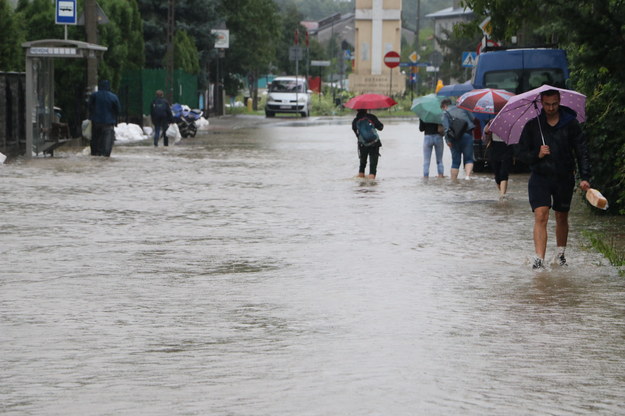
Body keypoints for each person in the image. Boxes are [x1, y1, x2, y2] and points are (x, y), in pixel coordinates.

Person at [517, 89, 591, 270]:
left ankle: (560, 255)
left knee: (561, 216)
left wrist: (585, 177)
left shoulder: (571, 124)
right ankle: (539, 259)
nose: (551, 108)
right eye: (547, 104)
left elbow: (581, 151)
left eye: (554, 104)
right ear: (541, 103)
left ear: (559, 102)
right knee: (541, 214)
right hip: (540, 177)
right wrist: (537, 154)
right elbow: (520, 154)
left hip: (564, 176)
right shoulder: (533, 125)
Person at [440, 99, 475, 179]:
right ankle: (467, 177)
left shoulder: (445, 113)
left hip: (454, 138)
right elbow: (472, 118)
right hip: (467, 135)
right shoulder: (463, 108)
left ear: (444, 106)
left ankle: (453, 180)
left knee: (455, 161)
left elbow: (446, 129)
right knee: (469, 159)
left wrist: (447, 140)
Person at [88, 79, 120, 157]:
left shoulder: (94, 95)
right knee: (107, 146)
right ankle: (104, 157)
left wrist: (93, 115)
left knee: (95, 143)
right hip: (108, 124)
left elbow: (89, 106)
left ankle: (95, 154)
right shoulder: (113, 97)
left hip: (96, 123)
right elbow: (118, 110)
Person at [483, 119, 513, 199]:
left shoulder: (511, 122)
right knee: (497, 174)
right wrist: (488, 129)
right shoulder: (491, 121)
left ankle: (502, 195)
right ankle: (502, 193)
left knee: (504, 172)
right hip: (494, 148)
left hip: (506, 147)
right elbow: (485, 135)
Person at [352, 109, 384, 179]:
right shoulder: (371, 117)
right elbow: (381, 127)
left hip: (362, 145)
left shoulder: (355, 121)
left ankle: (361, 186)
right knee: (373, 167)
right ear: (366, 109)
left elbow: (357, 134)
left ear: (357, 110)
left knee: (362, 166)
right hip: (374, 143)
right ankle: (372, 187)